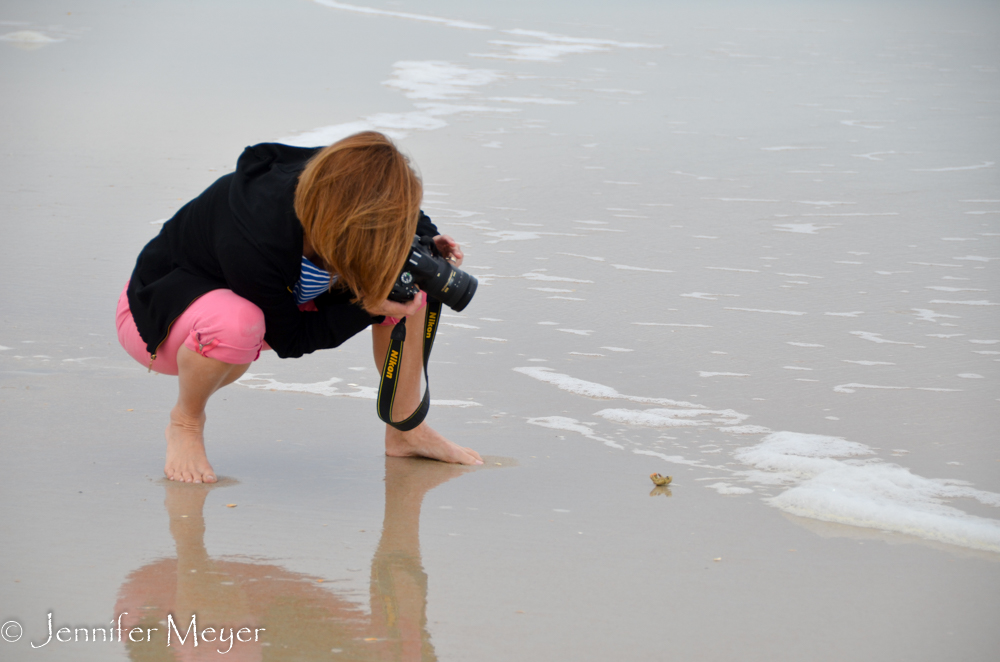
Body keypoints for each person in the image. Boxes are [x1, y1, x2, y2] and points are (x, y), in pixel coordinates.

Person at [116, 132, 484, 483]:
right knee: (239, 323)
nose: (390, 228)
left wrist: (425, 240)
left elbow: (391, 201)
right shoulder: (256, 233)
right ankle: (186, 422)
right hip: (163, 320)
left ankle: (406, 429)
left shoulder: (339, 175)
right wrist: (365, 307)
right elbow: (291, 339)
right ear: (347, 217)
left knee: (405, 284)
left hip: (275, 301)